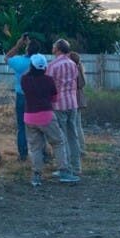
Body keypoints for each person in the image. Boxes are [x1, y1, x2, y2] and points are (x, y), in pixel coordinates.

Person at [21, 53, 78, 186]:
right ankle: (63, 171)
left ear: (31, 66)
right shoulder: (48, 80)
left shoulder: (24, 79)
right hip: (46, 116)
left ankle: (36, 175)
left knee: (35, 147)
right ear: (44, 67)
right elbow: (54, 98)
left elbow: (25, 88)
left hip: (29, 116)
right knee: (58, 142)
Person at [47, 38, 82, 179]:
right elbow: (76, 79)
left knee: (62, 137)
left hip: (58, 104)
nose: (52, 48)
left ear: (58, 49)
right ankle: (76, 166)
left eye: (54, 46)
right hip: (72, 103)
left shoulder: (53, 65)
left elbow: (48, 84)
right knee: (73, 135)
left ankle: (65, 167)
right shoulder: (73, 64)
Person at [4, 33, 37, 161]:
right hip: (37, 97)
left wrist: (18, 45)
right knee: (39, 125)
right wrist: (30, 45)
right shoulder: (40, 61)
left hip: (22, 96)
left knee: (22, 127)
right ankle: (42, 153)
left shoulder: (19, 62)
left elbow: (6, 57)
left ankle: (23, 155)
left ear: (26, 49)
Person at [68, 51, 87, 155]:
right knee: (77, 124)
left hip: (75, 98)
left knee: (76, 125)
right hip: (78, 98)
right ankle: (81, 148)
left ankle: (80, 149)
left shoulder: (74, 69)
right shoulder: (79, 68)